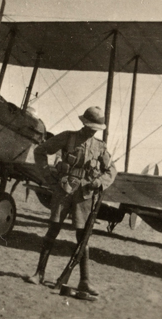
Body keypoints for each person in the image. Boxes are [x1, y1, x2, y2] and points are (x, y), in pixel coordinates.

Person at [26, 106, 117, 295]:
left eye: (96, 128)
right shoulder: (67, 137)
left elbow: (112, 171)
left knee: (82, 238)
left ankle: (85, 280)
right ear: (83, 123)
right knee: (53, 230)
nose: (92, 130)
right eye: (90, 126)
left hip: (84, 194)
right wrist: (48, 177)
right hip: (64, 189)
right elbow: (40, 151)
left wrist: (98, 183)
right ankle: (39, 273)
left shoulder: (100, 147)